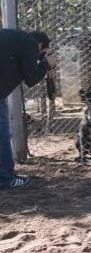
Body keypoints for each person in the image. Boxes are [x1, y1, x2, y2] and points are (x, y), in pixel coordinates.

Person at [0, 29, 57, 189]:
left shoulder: (14, 41)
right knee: (2, 135)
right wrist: (47, 63)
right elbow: (31, 78)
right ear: (40, 45)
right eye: (43, 52)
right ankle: (5, 179)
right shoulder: (30, 43)